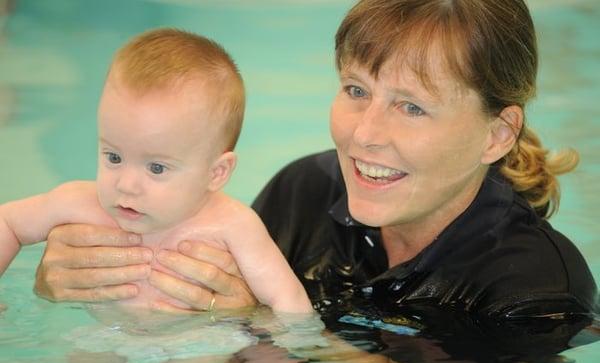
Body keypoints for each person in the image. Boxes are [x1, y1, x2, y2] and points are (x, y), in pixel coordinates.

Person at [33, 0, 597, 332]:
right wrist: (85, 274)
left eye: (412, 106)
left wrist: (257, 318)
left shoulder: (534, 294)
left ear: (496, 134)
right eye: (356, 89)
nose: (365, 134)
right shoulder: (301, 193)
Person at [0, 28, 312, 314]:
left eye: (157, 167)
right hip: (107, 338)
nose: (127, 184)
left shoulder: (234, 226)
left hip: (195, 347)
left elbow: (290, 302)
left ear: (216, 173)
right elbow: (8, 221)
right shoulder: (80, 204)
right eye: (113, 156)